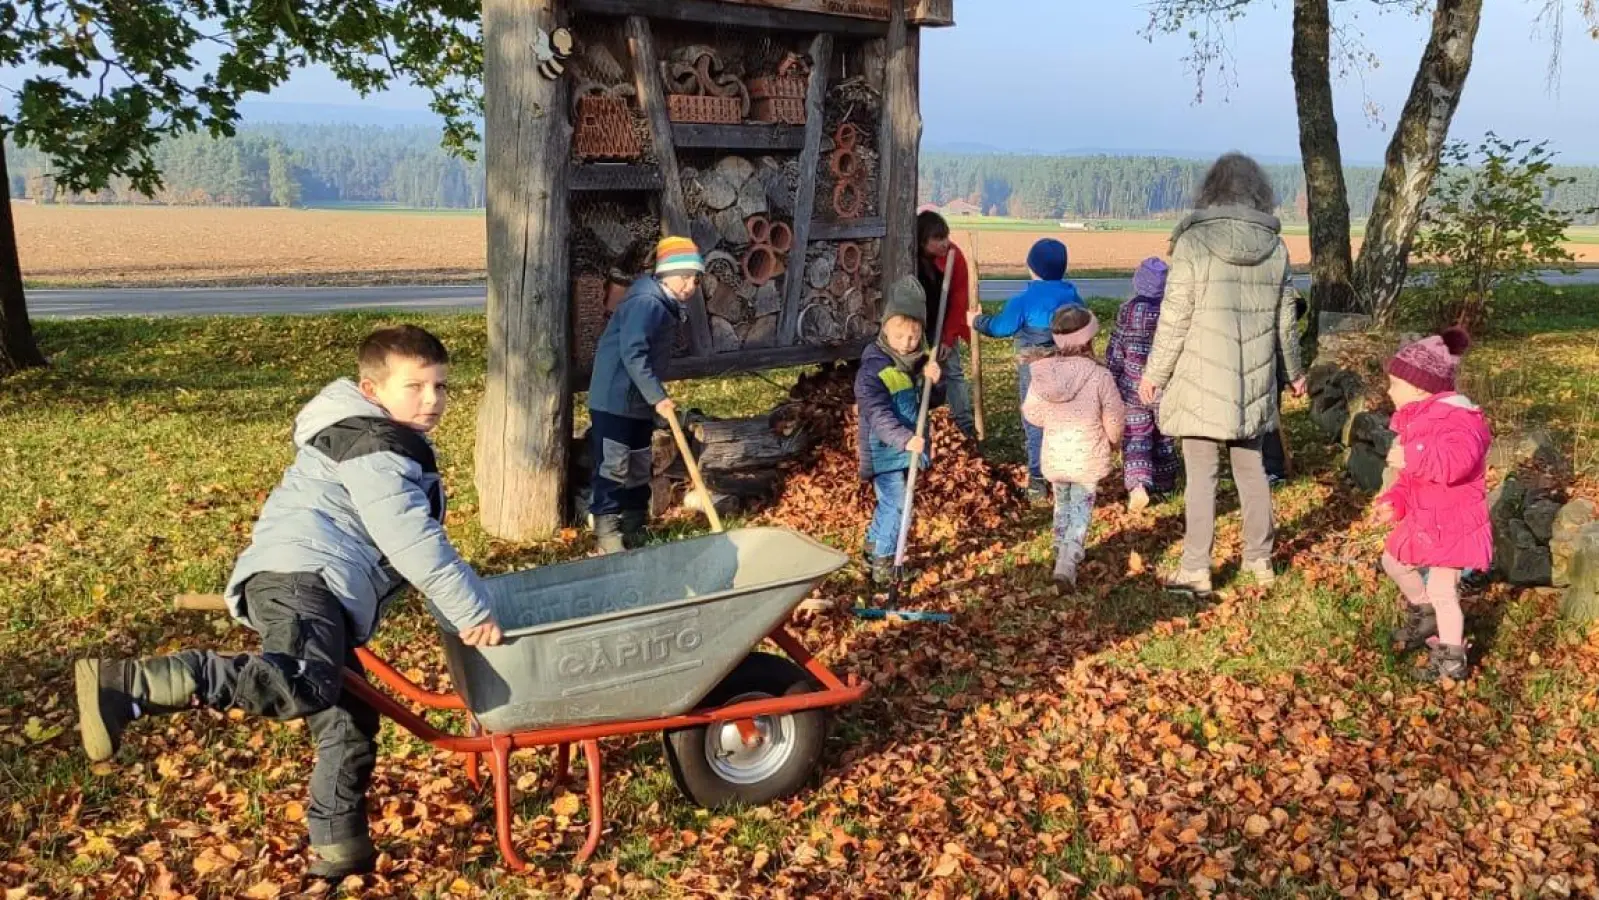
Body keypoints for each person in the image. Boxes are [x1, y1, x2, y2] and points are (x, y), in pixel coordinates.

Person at [74, 325, 504, 881]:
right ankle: (131, 685)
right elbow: (411, 540)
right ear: (371, 390)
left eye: (441, 386)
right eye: (414, 386)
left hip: (307, 577)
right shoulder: (373, 446)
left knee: (348, 722)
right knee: (302, 683)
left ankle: (340, 855)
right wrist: (471, 611)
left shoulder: (373, 435)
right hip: (304, 580)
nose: (432, 400)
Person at [1138, 153, 1307, 596]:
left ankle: (1197, 568)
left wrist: (1154, 373)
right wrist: (1294, 372)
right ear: (1259, 192)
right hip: (1252, 381)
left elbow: (1174, 317)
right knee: (1251, 471)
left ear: (1210, 190)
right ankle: (1259, 560)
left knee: (1202, 477)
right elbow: (1285, 321)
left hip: (1199, 380)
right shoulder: (1277, 247)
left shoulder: (1193, 243)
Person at [1376, 328, 1491, 683]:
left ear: (1420, 387)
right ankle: (1424, 611)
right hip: (1426, 520)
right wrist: (1393, 503)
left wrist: (1412, 454)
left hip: (1454, 524)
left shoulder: (1461, 419)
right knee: (1392, 560)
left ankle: (1452, 660)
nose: (1389, 390)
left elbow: (1456, 461)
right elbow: (1411, 481)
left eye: (1395, 383)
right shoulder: (1419, 420)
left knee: (1444, 589)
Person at [587, 236, 702, 553]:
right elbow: (633, 354)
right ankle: (608, 531)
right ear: (667, 274)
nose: (692, 285)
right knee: (613, 465)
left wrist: (649, 398)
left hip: (636, 401)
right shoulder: (646, 303)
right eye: (687, 277)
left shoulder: (664, 303)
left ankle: (635, 523)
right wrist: (657, 396)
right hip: (615, 400)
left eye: (696, 278)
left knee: (639, 464)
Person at [967, 237, 1085, 506]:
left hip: (1033, 368)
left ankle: (1037, 483)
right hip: (1067, 365)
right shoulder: (1072, 295)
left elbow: (1000, 328)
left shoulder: (1024, 300)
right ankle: (1064, 474)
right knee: (1063, 417)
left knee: (1035, 420)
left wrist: (976, 320)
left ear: (1032, 267)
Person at [1022, 307, 1126, 587]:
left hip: (1056, 454)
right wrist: (1114, 439)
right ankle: (1068, 559)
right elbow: (1114, 414)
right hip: (1087, 455)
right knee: (1081, 507)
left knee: (1062, 504)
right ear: (1090, 340)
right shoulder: (1099, 376)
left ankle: (1059, 547)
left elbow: (1031, 412)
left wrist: (1052, 419)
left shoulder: (1045, 374)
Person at [856, 276, 944, 585]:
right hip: (885, 452)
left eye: (913, 335)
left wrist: (934, 380)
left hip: (906, 449)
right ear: (885, 330)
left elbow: (931, 402)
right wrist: (905, 440)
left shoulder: (916, 364)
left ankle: (871, 548)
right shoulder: (873, 370)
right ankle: (884, 564)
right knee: (897, 504)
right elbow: (877, 416)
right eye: (899, 335)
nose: (907, 342)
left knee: (890, 503)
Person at [1105, 257, 1180, 511]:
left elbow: (1117, 347)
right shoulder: (1172, 311)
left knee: (1137, 436)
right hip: (1165, 386)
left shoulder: (1128, 310)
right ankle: (1165, 481)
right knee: (1165, 433)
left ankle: (1138, 485)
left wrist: (1113, 376)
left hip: (1132, 387)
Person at [915, 211, 977, 438]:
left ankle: (965, 424)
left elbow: (960, 298)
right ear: (922, 241)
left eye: (946, 236)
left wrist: (948, 337)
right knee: (915, 371)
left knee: (951, 370)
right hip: (913, 324)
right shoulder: (908, 257)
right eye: (938, 239)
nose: (945, 243)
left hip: (942, 322)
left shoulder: (953, 256)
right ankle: (916, 424)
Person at [1262, 292, 1310, 486]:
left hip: (1267, 351)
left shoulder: (1275, 270)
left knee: (1269, 413)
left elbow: (1295, 305)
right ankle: (1265, 466)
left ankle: (1274, 468)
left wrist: (1292, 373)